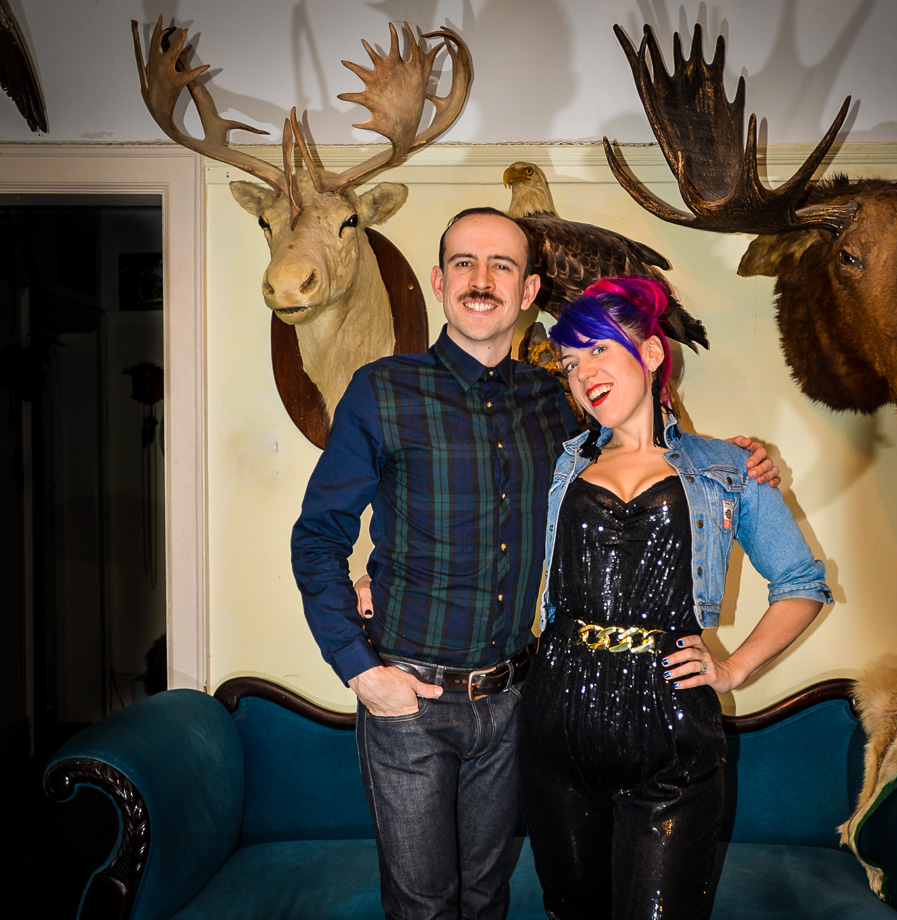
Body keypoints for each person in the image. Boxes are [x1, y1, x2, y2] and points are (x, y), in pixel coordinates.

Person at [291, 209, 781, 920]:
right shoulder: (382, 390)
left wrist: (740, 459)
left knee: (490, 897)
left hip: (518, 702)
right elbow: (317, 537)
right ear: (438, 281)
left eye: (502, 266)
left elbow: (646, 454)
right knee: (423, 905)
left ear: (529, 293)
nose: (481, 280)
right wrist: (359, 669)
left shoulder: (560, 402)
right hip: (408, 704)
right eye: (463, 262)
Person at [518, 276, 833, 920]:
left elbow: (801, 584)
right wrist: (374, 576)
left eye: (600, 350)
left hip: (669, 718)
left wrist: (734, 668)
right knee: (571, 909)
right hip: (558, 711)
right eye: (571, 363)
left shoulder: (725, 466)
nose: (584, 374)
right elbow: (474, 530)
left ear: (653, 354)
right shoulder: (562, 465)